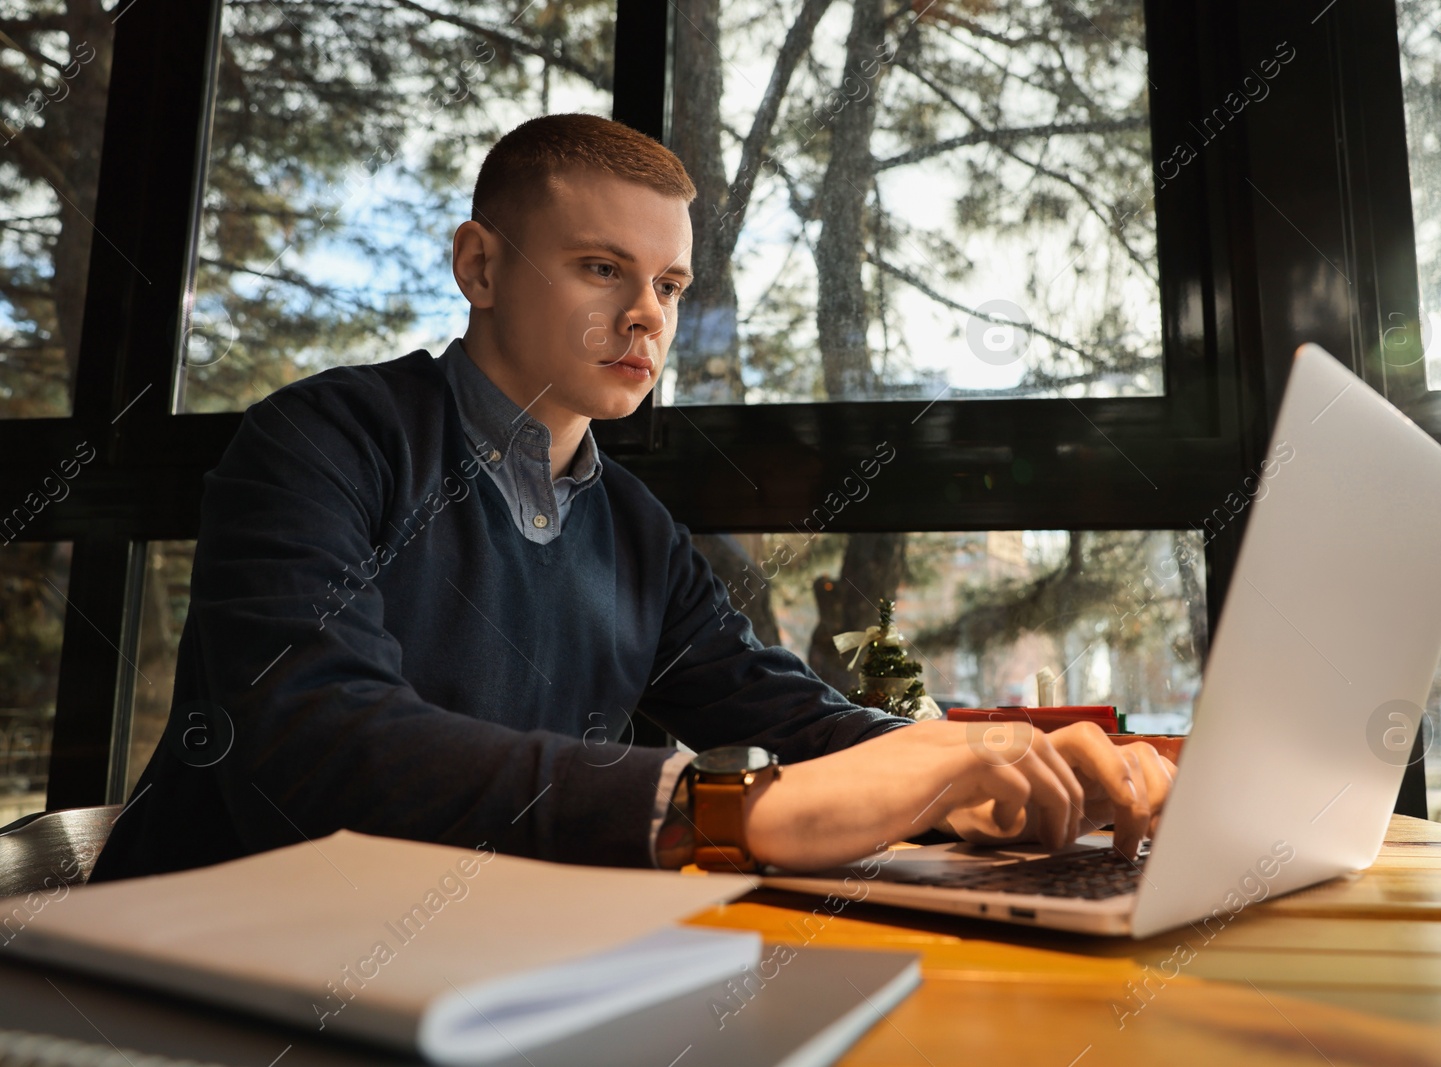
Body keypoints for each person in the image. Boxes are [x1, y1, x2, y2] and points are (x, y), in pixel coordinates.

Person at [91, 113, 1174, 883]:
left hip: (479, 963)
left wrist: (969, 769)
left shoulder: (637, 529)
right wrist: (709, 808)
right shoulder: (322, 438)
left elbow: (785, 717)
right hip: (200, 981)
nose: (648, 316)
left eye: (667, 284)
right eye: (602, 268)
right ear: (478, 265)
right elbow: (313, 736)